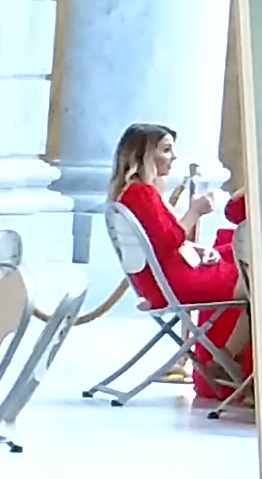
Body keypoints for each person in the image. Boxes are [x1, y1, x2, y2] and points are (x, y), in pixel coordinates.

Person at [107, 118, 253, 404]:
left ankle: (227, 359)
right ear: (144, 154)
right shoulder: (141, 193)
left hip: (166, 274)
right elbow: (168, 239)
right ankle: (228, 359)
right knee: (256, 283)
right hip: (173, 282)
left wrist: (198, 250)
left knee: (243, 272)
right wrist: (196, 211)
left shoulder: (136, 192)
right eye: (166, 150)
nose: (173, 157)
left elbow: (163, 243)